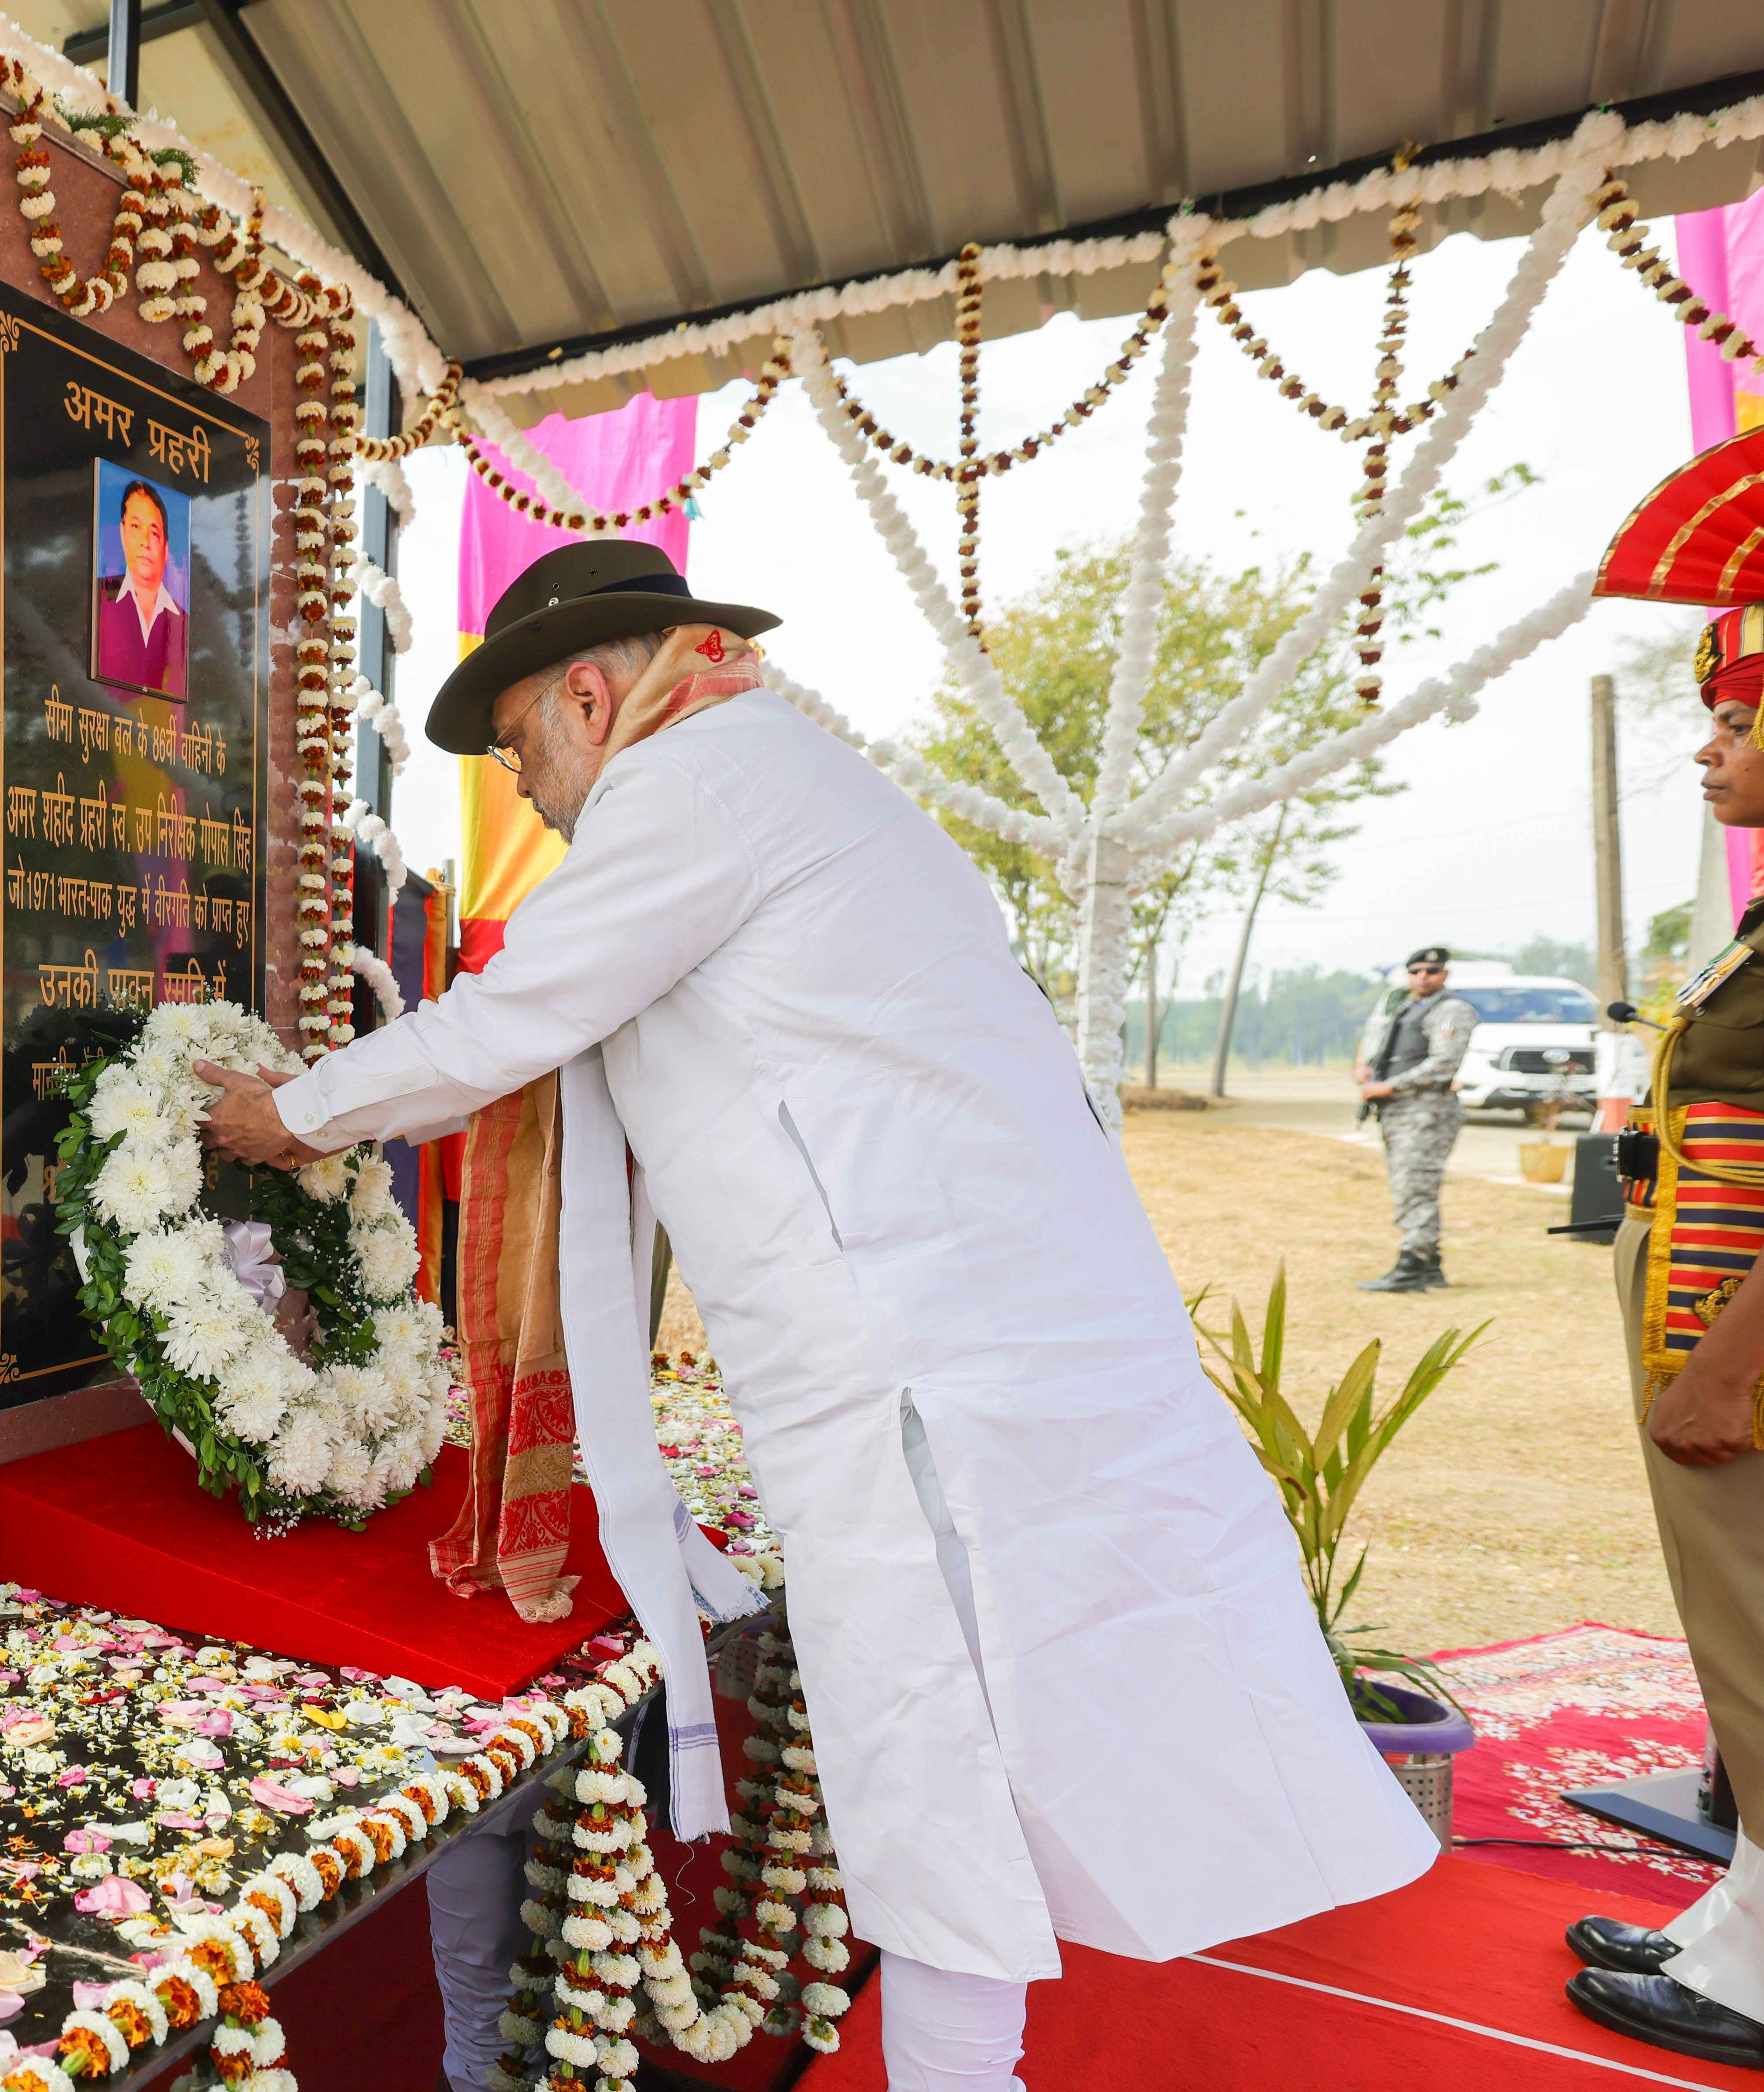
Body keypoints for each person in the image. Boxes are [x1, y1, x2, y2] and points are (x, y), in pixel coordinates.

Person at [196, 539, 1435, 2092]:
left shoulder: (692, 786)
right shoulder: (777, 773)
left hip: (919, 1372)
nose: (522, 791)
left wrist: (291, 1115)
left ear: (592, 691)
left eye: (518, 746)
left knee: (936, 1793)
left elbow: (510, 1019)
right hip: (968, 1347)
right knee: (957, 1791)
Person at [1562, 602, 1764, 2068]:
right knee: (1733, 1636)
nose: (1707, 748)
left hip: (1740, 1334)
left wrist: (1728, 1360)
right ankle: (1741, 1915)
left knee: (1758, 1635)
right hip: (1702, 1304)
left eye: (1740, 724)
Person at [1355, 947, 1475, 1292]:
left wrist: (1389, 1085)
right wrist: (1366, 1068)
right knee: (1410, 1186)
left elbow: (1444, 1063)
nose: (1424, 976)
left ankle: (1411, 1266)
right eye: (1417, 970)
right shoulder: (1407, 1006)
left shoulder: (1452, 1010)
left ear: (1445, 974)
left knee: (1416, 1187)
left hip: (1427, 1112)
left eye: (1432, 970)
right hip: (1401, 1111)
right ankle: (1430, 1267)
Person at [94, 476, 184, 696]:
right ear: (122, 534)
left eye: (154, 533)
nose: (145, 541)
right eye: (136, 526)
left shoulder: (181, 622)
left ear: (165, 548)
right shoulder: (98, 598)